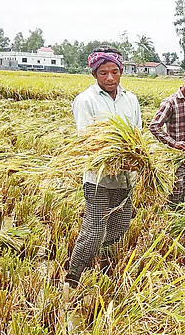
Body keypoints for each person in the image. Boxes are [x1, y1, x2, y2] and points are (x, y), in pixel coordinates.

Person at [66, 48, 142, 288]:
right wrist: (113, 159)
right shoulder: (86, 100)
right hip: (98, 178)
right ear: (94, 74)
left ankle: (104, 271)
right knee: (94, 230)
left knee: (120, 227)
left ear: (121, 72)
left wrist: (135, 159)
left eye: (114, 72)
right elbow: (86, 139)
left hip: (125, 178)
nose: (110, 78)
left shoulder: (130, 99)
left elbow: (136, 134)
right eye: (103, 73)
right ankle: (73, 278)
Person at [149, 72, 185, 205]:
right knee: (174, 193)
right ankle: (171, 219)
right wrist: (174, 144)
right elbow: (154, 126)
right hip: (175, 159)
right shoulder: (170, 102)